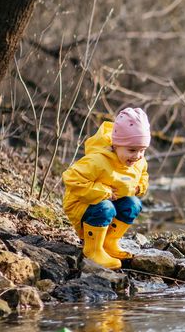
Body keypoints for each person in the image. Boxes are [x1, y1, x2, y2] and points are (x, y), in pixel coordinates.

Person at [62, 108, 150, 269]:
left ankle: (109, 242)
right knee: (106, 207)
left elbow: (143, 174)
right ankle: (93, 250)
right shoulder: (98, 161)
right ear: (116, 145)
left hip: (106, 205)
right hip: (81, 205)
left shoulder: (138, 162)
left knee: (133, 204)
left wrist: (139, 187)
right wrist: (103, 192)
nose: (137, 156)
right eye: (132, 150)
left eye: (142, 150)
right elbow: (71, 178)